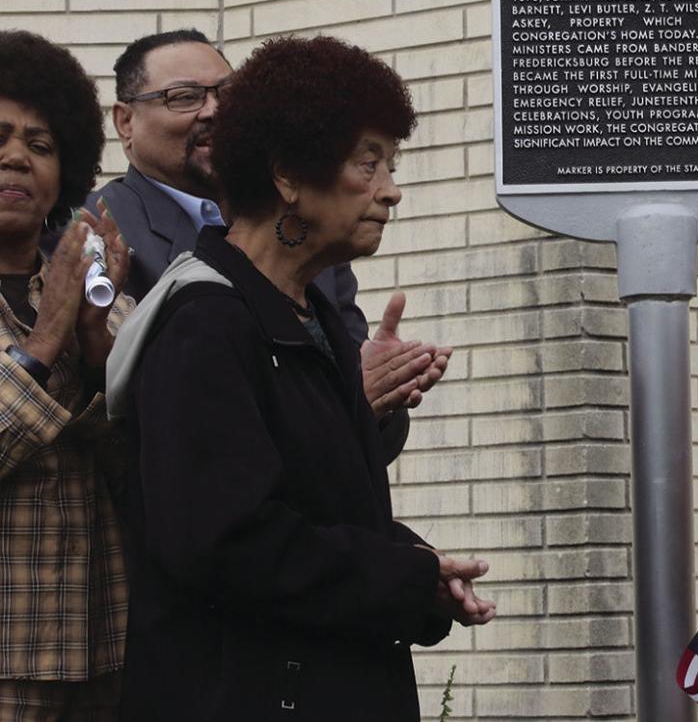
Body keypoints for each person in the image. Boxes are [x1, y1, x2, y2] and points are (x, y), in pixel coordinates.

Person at [105, 36, 494, 722]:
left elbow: (319, 513)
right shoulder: (205, 323)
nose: (391, 189)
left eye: (392, 164)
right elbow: (229, 542)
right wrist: (406, 575)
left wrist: (422, 570)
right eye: (368, 162)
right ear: (286, 174)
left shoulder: (313, 317)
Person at [88, 28, 445, 461]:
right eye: (184, 97)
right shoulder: (95, 230)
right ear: (125, 122)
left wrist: (380, 395)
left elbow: (362, 424)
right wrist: (341, 406)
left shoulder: (310, 241)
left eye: (227, 93)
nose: (214, 110)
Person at [0, 32, 134, 720]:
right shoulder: (58, 304)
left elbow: (151, 463)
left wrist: (97, 343)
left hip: (103, 657)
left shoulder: (99, 297)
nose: (16, 156)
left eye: (41, 144)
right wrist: (48, 337)